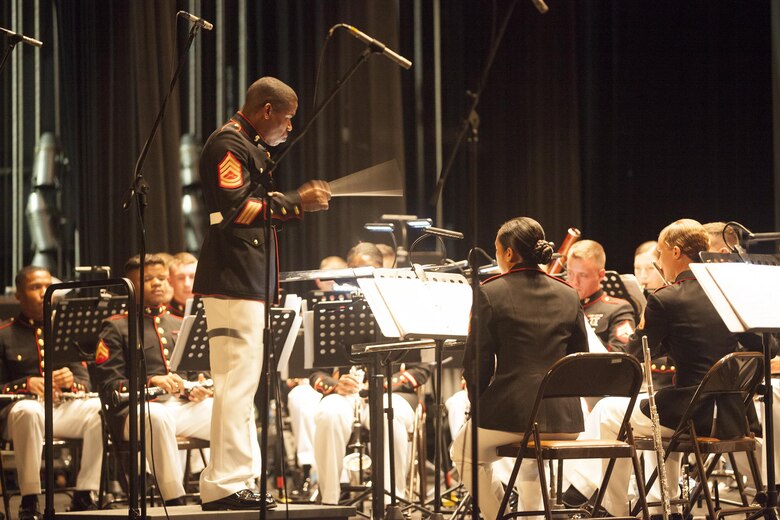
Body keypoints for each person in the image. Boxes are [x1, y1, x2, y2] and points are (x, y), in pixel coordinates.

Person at [564, 219, 768, 516]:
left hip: (690, 415)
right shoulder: (728, 293)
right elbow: (766, 347)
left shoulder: (665, 299)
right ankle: (663, 505)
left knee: (609, 412)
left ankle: (614, 509)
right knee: (659, 412)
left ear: (675, 252)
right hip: (732, 415)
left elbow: (633, 354)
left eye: (659, 254)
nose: (658, 262)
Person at [193, 76, 331, 510]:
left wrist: (290, 201)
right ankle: (227, 484)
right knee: (235, 382)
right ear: (267, 111)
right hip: (232, 280)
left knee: (240, 381)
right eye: (287, 119)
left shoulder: (247, 145)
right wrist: (296, 201)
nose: (289, 129)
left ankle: (230, 479)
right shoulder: (227, 145)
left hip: (243, 281)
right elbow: (238, 210)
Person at [450, 217, 589, 520]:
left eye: (497, 251)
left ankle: (498, 516)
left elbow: (478, 362)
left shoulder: (490, 291)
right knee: (528, 457)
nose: (497, 256)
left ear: (509, 253)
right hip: (567, 418)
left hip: (515, 413)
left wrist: (479, 405)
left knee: (462, 452)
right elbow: (581, 358)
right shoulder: (569, 292)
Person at [311, 245, 429, 505]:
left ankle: (392, 500)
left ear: (382, 271)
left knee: (392, 414)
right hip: (348, 394)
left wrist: (390, 383)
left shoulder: (405, 308)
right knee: (328, 413)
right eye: (355, 272)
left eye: (368, 272)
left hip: (392, 393)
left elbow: (423, 369)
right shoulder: (336, 309)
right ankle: (330, 500)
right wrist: (334, 385)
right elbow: (316, 371)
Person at [92, 254, 214, 506]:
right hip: (131, 413)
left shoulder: (179, 323)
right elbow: (108, 385)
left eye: (161, 278)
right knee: (156, 416)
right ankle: (174, 499)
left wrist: (198, 386)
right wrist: (150, 382)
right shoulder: (115, 327)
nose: (158, 283)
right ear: (131, 284)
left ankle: (240, 486)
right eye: (148, 279)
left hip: (178, 408)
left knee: (227, 409)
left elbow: (195, 373)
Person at [0, 266, 102, 519]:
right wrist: (26, 384)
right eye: (35, 287)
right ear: (19, 296)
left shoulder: (66, 329)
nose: (44, 293)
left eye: (47, 286)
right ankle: (30, 498)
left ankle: (85, 493)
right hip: (20, 414)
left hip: (60, 410)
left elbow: (85, 383)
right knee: (28, 411)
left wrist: (71, 382)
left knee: (99, 410)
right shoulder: (4, 334)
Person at [566, 240, 635, 352]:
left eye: (583, 275)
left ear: (601, 275)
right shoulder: (562, 306)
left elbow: (621, 354)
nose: (574, 281)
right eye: (570, 273)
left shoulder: (618, 309)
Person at [167, 252, 198, 317]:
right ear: (170, 282)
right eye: (180, 278)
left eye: (192, 277)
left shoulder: (209, 310)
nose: (187, 284)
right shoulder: (164, 315)